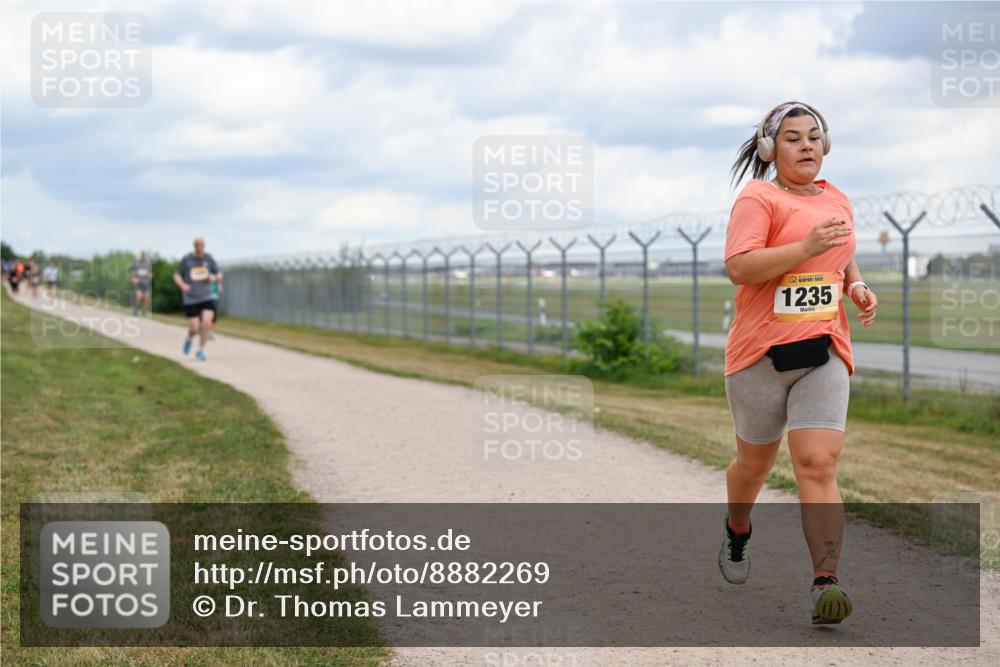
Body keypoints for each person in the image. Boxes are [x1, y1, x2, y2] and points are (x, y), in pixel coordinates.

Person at [720, 101, 878, 625]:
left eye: (814, 136)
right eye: (793, 138)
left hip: (824, 350)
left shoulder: (837, 197)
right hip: (759, 356)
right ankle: (737, 529)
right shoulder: (758, 197)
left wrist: (853, 282)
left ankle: (825, 582)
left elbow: (839, 248)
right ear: (771, 148)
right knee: (753, 468)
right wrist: (803, 246)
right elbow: (739, 267)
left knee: (817, 463)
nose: (807, 144)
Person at [173, 238, 223, 361]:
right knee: (194, 328)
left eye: (202, 246)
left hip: (206, 296)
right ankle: (189, 339)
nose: (200, 248)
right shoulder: (187, 259)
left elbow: (219, 273)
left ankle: (200, 350)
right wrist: (182, 285)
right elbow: (176, 274)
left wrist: (216, 278)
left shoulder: (208, 259)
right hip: (191, 297)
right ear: (194, 246)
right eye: (197, 246)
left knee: (207, 323)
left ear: (204, 246)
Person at [130, 250, 153, 316]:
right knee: (139, 296)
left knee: (146, 297)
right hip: (138, 283)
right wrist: (133, 279)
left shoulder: (148, 263)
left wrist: (150, 276)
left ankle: (144, 312)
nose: (143, 256)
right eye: (142, 254)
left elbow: (151, 273)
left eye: (144, 255)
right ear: (140, 255)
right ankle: (136, 310)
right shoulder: (136, 263)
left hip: (146, 283)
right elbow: (132, 272)